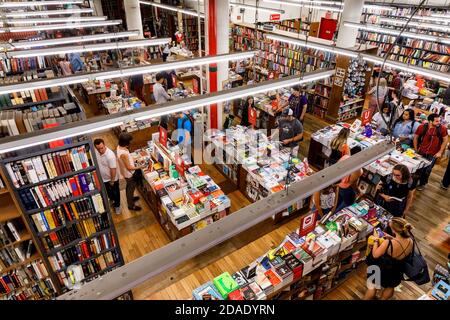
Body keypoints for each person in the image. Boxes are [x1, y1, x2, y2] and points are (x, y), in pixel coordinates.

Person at [364, 217, 414, 300]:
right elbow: (400, 243)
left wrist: (376, 239)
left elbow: (375, 255)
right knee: (390, 286)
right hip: (397, 269)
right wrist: (390, 237)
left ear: (394, 230)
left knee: (372, 286)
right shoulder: (410, 240)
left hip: (381, 268)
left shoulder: (389, 242)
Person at [414, 113, 449, 190]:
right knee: (418, 168)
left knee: (427, 170)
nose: (439, 123)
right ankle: (414, 182)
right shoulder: (422, 127)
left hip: (433, 154)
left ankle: (423, 183)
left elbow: (445, 140)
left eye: (439, 121)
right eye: (436, 121)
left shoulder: (442, 129)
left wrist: (440, 152)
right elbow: (416, 137)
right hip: (421, 151)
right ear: (430, 121)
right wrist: (416, 149)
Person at [116, 132, 143, 211]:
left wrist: (134, 159)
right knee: (130, 189)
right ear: (126, 142)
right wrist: (140, 166)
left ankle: (131, 199)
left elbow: (126, 161)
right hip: (129, 174)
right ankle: (131, 205)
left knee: (129, 187)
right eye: (130, 141)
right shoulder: (123, 153)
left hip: (125, 172)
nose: (131, 142)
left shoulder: (119, 147)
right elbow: (129, 167)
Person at [94, 139, 121, 214]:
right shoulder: (96, 152)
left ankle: (117, 206)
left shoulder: (110, 155)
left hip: (112, 179)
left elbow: (113, 169)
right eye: (98, 149)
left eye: (102, 148)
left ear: (104, 145)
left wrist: (112, 180)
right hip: (103, 178)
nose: (100, 150)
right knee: (108, 192)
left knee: (116, 193)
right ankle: (111, 200)